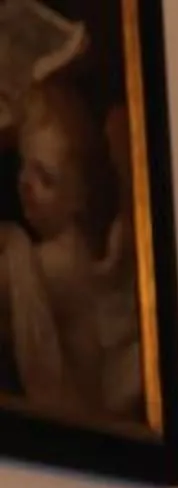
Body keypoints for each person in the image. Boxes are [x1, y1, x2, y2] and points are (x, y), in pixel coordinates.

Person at [0, 76, 141, 423]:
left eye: (46, 178)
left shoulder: (55, 263)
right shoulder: (92, 248)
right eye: (23, 167)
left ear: (80, 196)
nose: (26, 185)